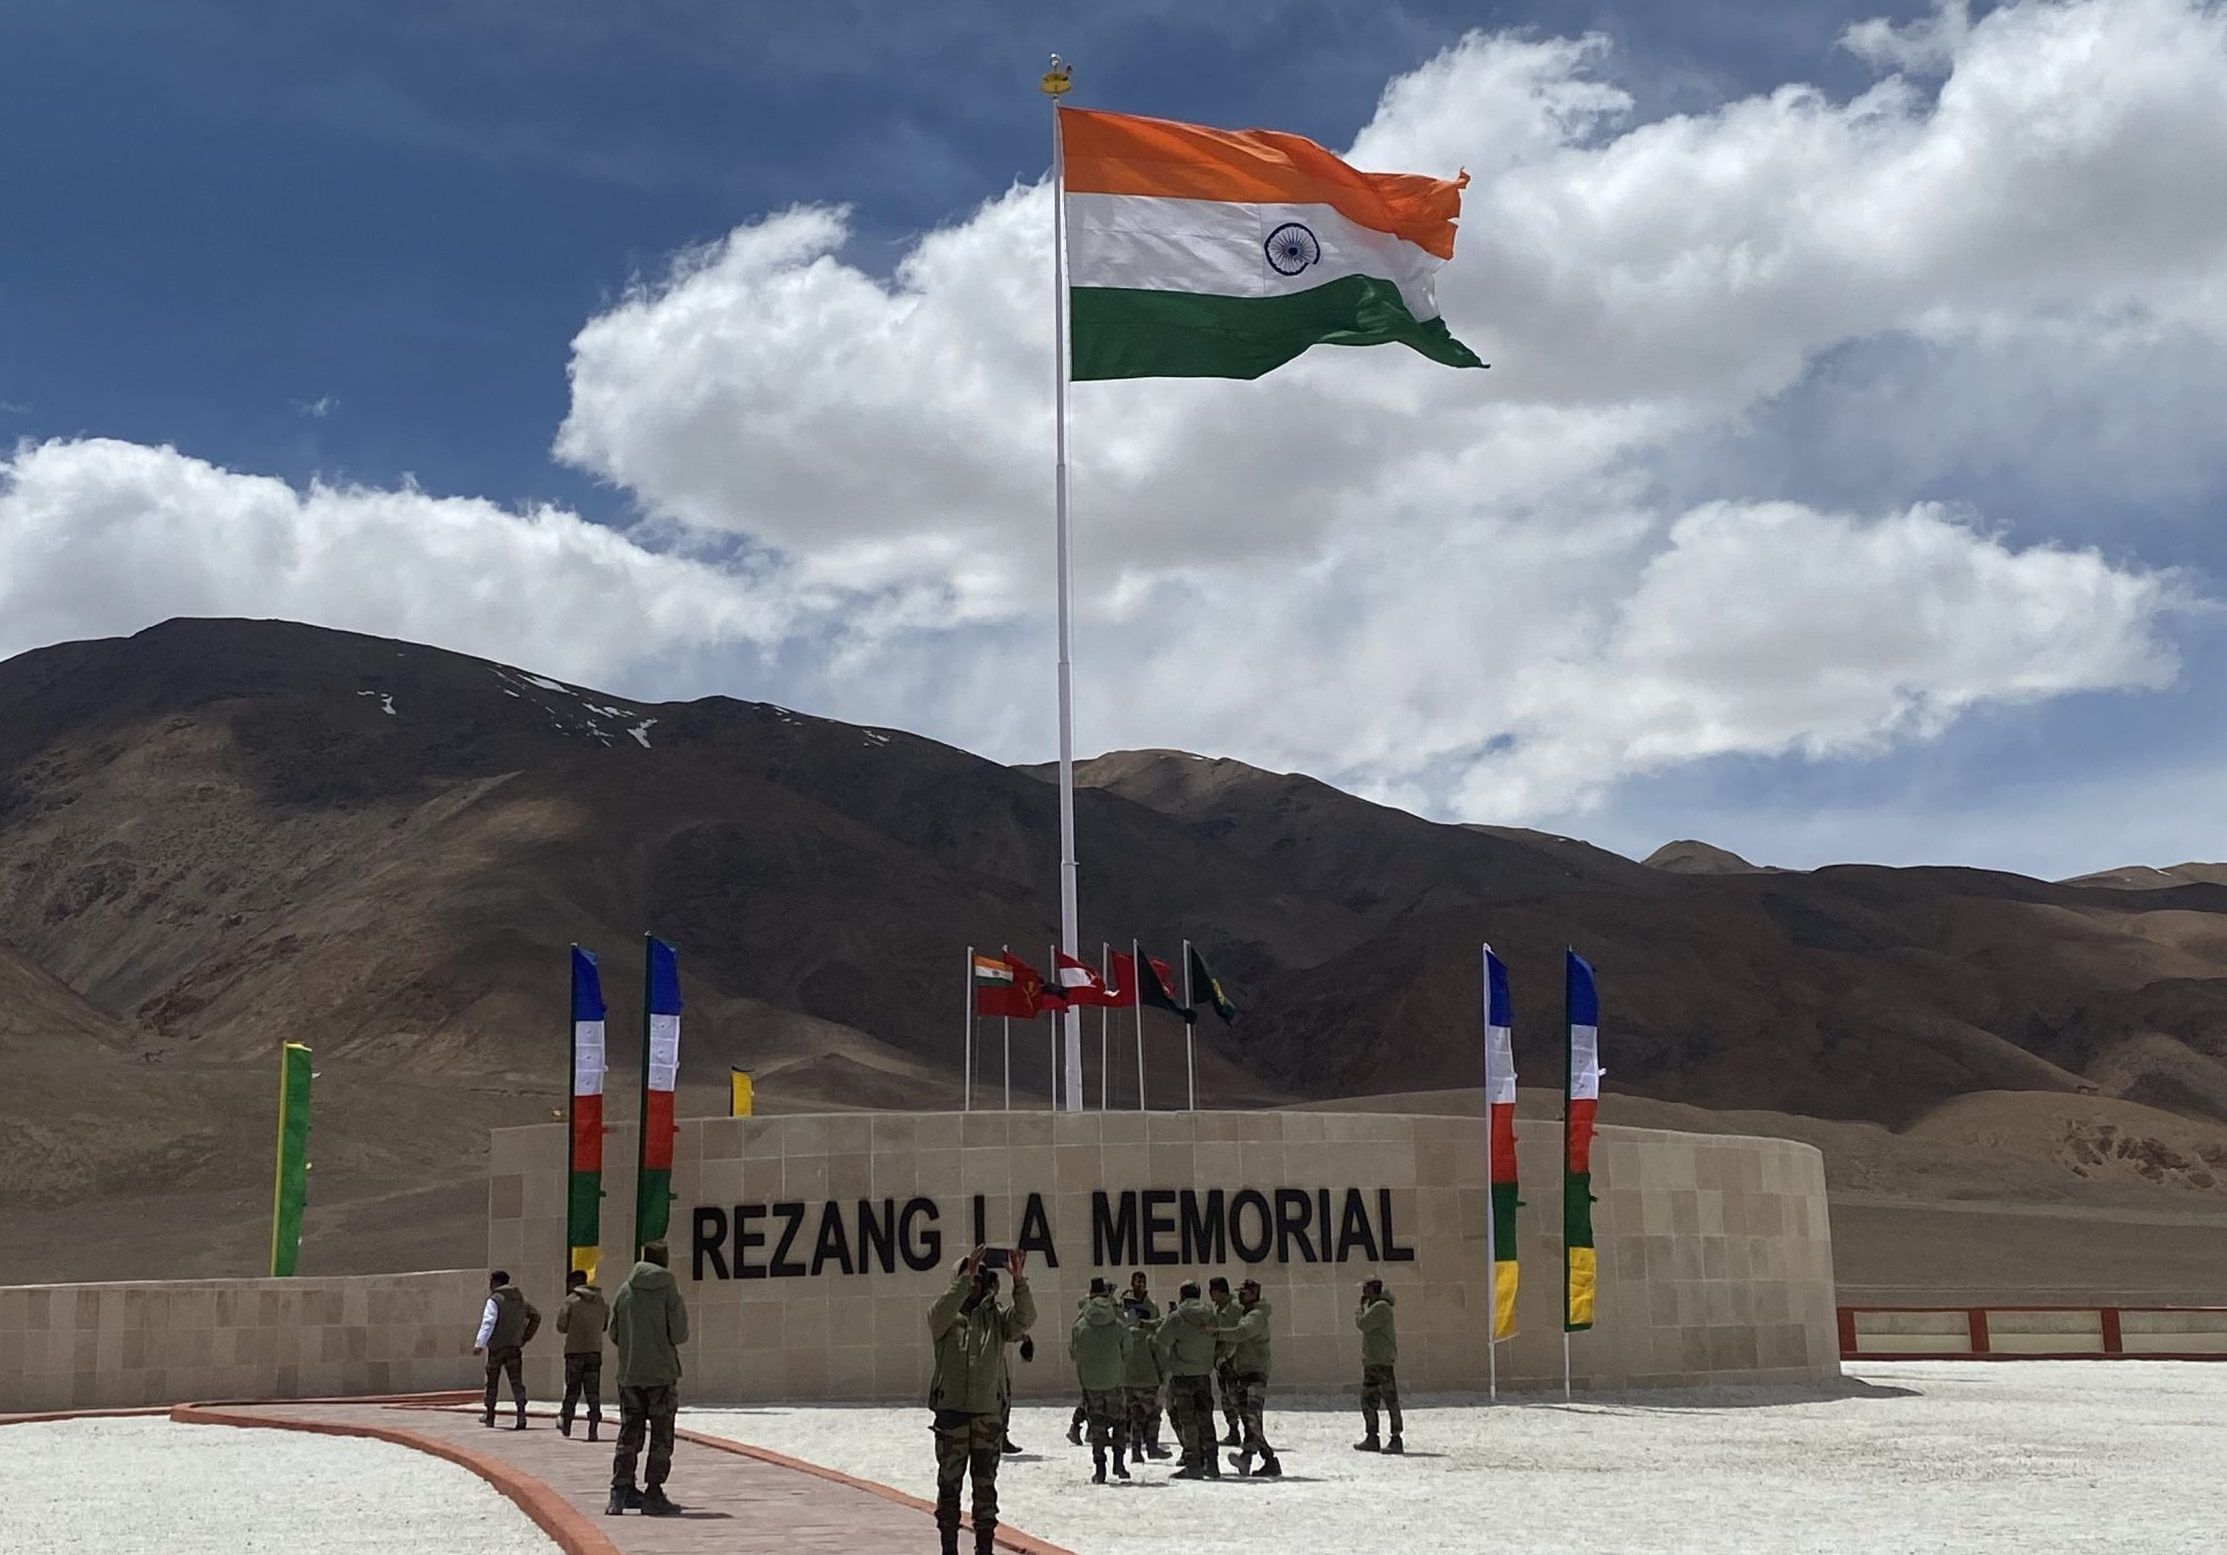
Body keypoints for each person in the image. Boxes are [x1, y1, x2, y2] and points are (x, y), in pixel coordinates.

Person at [930, 1247, 1035, 1555]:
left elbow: (1025, 1319)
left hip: (986, 1417)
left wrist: (1019, 1282)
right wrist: (962, 1282)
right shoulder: (946, 1318)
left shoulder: (997, 1319)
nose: (974, 1282)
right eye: (968, 1277)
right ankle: (949, 1547)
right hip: (952, 1416)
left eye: (979, 1277)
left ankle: (984, 1548)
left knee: (985, 1487)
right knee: (949, 1487)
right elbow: (937, 1316)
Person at [606, 1239, 689, 1518]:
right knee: (661, 1436)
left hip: (630, 1375)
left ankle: (619, 1493)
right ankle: (654, 1493)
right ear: (665, 1260)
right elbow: (679, 1334)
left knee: (629, 1433)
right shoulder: (669, 1290)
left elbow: (614, 1333)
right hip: (661, 1375)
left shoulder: (625, 1290)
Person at [1153, 1280, 1221, 1480]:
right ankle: (1212, 1463)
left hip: (1183, 1376)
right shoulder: (1211, 1314)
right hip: (1203, 1375)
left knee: (1187, 1421)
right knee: (1206, 1419)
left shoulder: (1177, 1317)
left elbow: (1161, 1339)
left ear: (1182, 1294)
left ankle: (1193, 1464)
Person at [1069, 1276, 1130, 1484]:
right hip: (1114, 1381)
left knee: (1097, 1427)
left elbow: (1073, 1353)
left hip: (1091, 1383)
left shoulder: (1080, 1324)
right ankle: (1120, 1464)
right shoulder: (1118, 1322)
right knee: (1120, 1422)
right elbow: (1128, 1349)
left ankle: (1100, 1469)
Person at [1222, 1277, 1282, 1479]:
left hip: (1255, 1373)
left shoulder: (1256, 1315)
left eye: (1244, 1293)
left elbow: (1242, 1333)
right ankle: (1247, 1458)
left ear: (1254, 1294)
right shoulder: (1246, 1313)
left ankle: (1270, 1459)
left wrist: (1215, 1333)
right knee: (1248, 1419)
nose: (1240, 1296)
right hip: (1244, 1371)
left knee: (1252, 1418)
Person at [471, 1269, 540, 1431]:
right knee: (516, 1382)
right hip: (514, 1346)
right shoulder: (520, 1300)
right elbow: (536, 1316)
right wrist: (524, 1337)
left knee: (492, 1383)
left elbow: (488, 1322)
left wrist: (479, 1344)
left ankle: (490, 1415)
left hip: (496, 1347)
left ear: (495, 1283)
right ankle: (521, 1414)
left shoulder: (495, 1300)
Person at [556, 1267, 609, 1440]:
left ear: (572, 1283)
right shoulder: (601, 1301)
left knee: (573, 1388)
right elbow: (604, 1326)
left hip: (574, 1351)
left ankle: (567, 1423)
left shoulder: (570, 1301)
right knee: (593, 1391)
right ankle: (593, 1426)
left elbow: (561, 1326)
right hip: (594, 1350)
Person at [1120, 1288, 1171, 1462]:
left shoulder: (1125, 1337)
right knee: (1153, 1415)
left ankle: (1135, 1451)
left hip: (1129, 1382)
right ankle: (1152, 1446)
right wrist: (1163, 1377)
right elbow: (1161, 1359)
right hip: (1149, 1381)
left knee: (1135, 1416)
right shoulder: (1151, 1337)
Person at [1354, 1277, 1404, 1454]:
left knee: (1390, 1400)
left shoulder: (1381, 1307)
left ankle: (1396, 1438)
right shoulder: (1376, 1306)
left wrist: (1359, 1309)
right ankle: (1372, 1437)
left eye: (1365, 1289)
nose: (1363, 1292)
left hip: (1382, 1361)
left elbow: (1364, 1324)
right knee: (1368, 1400)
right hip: (1373, 1360)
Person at [1208, 1275, 1244, 1447]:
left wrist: (1229, 1355)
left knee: (1237, 1397)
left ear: (1219, 1291)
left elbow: (1240, 1333)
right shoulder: (1219, 1308)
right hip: (1221, 1361)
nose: (1210, 1294)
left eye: (1212, 1290)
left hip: (1233, 1359)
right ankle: (1233, 1431)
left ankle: (1249, 1433)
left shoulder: (1235, 1307)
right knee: (1226, 1397)